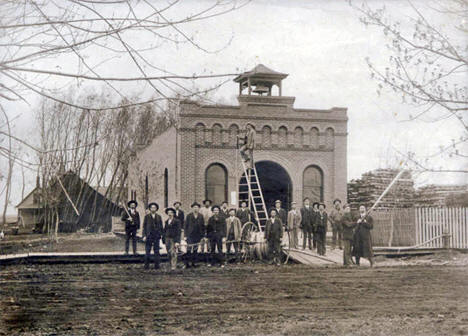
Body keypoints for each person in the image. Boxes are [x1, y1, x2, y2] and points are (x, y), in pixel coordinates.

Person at [183, 202, 205, 268]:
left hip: (198, 235)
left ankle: (194, 263)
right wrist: (185, 235)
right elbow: (186, 226)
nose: (196, 209)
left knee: (195, 249)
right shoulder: (189, 216)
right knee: (189, 249)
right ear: (192, 208)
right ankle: (187, 264)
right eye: (194, 207)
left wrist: (203, 235)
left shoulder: (201, 216)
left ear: (199, 208)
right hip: (190, 235)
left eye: (197, 207)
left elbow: (202, 226)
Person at [142, 202, 163, 269]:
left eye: (154, 207)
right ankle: (146, 266)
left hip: (156, 236)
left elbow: (161, 227)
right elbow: (144, 227)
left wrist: (161, 234)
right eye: (152, 207)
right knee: (147, 251)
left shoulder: (159, 217)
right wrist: (144, 235)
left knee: (156, 251)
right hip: (149, 236)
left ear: (156, 209)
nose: (153, 209)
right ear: (150, 209)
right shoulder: (146, 217)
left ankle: (157, 266)